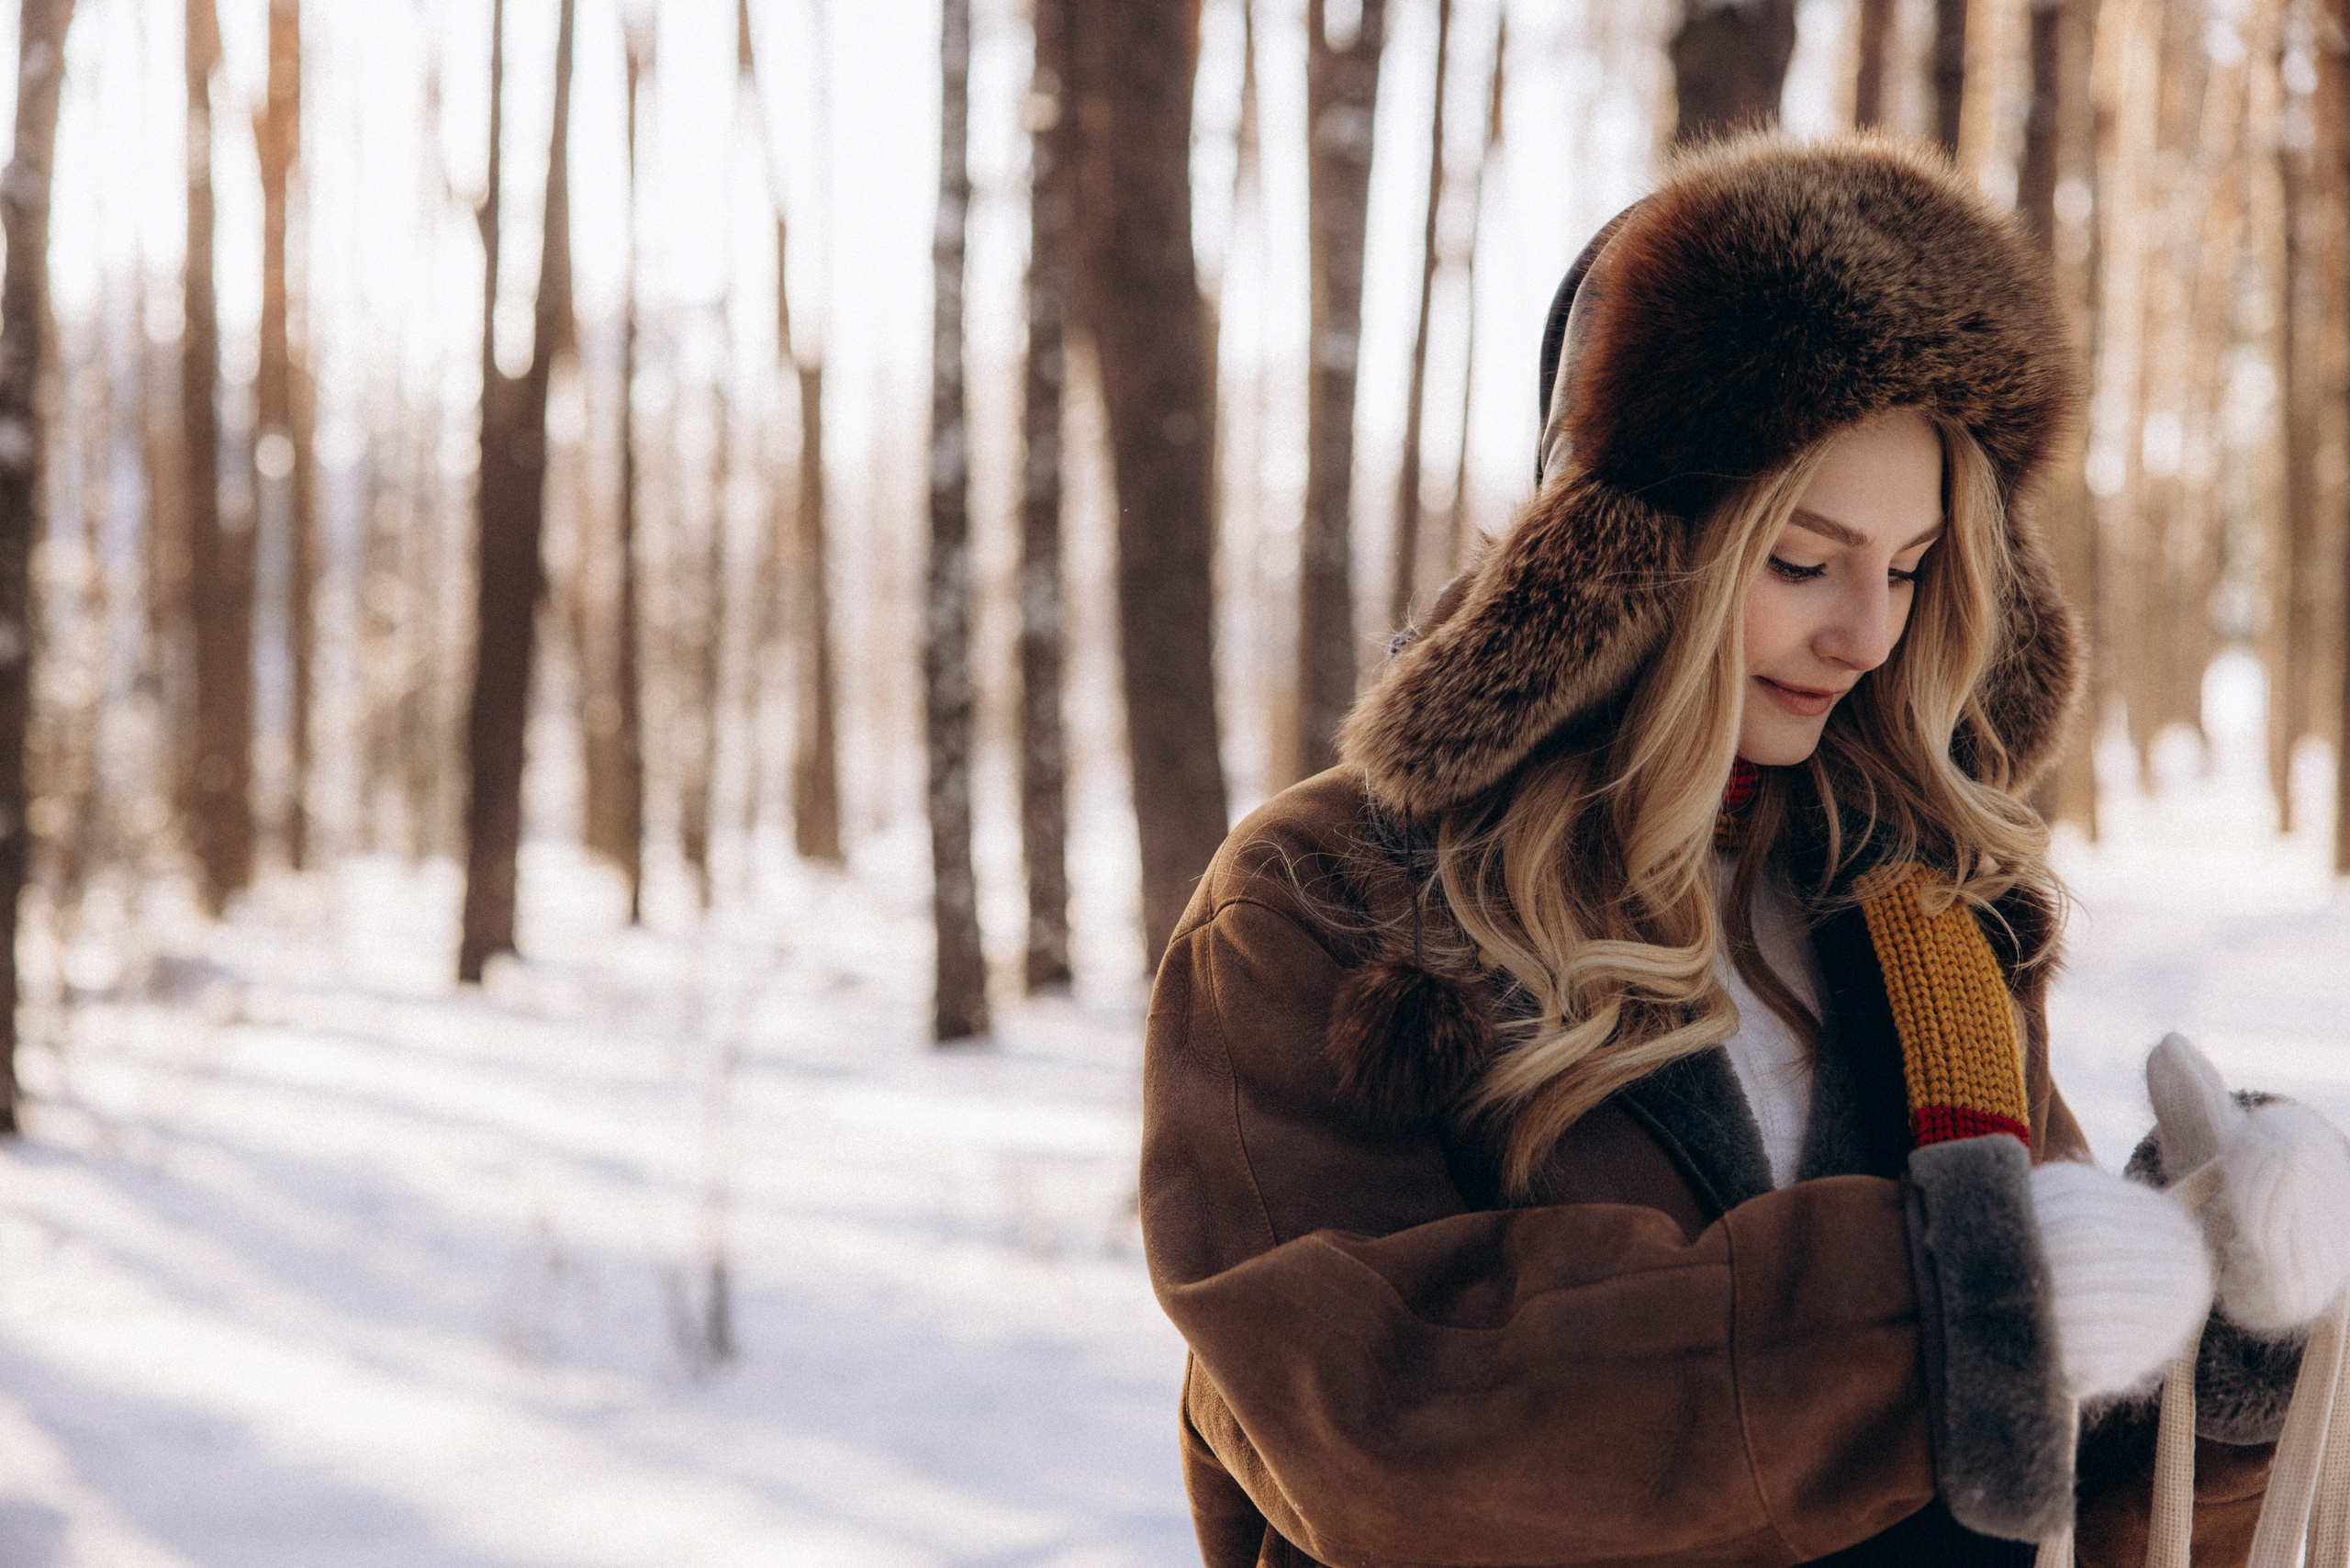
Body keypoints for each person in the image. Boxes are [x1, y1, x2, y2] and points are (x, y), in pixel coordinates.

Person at [1139, 133, 2350, 1568]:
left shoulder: (1919, 916)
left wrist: (2221, 1347)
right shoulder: (1326, 902)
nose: (1867, 633)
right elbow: (1377, 1427)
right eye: (1801, 560)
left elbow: (2038, 1488)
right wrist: (1949, 1301)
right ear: (1619, 552)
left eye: (1910, 568)